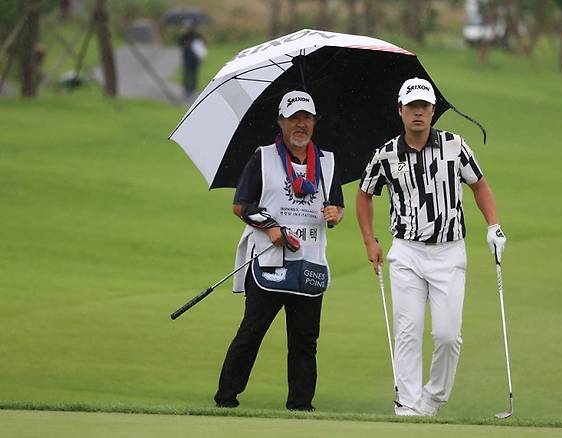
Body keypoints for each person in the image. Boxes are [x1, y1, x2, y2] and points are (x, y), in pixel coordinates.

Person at [355, 77, 507, 416]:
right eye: (412, 107)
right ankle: (407, 406)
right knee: (407, 332)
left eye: (424, 106)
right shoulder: (387, 154)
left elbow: (480, 186)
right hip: (406, 251)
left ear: (433, 111)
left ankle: (433, 399)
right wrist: (370, 239)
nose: (418, 113)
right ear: (401, 111)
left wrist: (494, 227)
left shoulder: (456, 146)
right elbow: (364, 194)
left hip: (449, 251)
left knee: (447, 335)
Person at [214, 90, 344, 411]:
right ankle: (226, 397)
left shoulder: (326, 162)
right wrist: (271, 228)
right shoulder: (263, 157)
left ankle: (301, 405)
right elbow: (240, 205)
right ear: (281, 122)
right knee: (251, 332)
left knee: (305, 342)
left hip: (309, 263)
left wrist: (335, 214)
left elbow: (336, 206)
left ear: (314, 122)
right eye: (294, 118)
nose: (301, 124)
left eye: (307, 118)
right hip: (269, 261)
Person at [178, 21, 206, 98]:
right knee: (188, 74)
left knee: (192, 74)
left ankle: (191, 89)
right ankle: (188, 89)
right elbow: (180, 43)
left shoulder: (196, 36)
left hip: (193, 58)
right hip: (188, 58)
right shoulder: (186, 36)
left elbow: (201, 46)